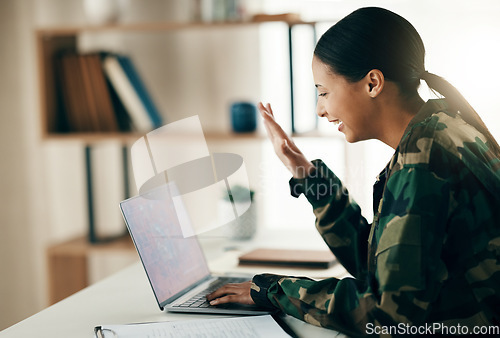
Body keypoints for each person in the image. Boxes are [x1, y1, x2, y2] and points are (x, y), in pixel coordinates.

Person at [207, 7, 500, 336]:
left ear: (372, 83)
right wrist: (306, 175)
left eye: (323, 92)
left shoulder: (425, 159)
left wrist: (273, 291)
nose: (320, 109)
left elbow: (387, 317)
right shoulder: (444, 128)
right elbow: (376, 270)